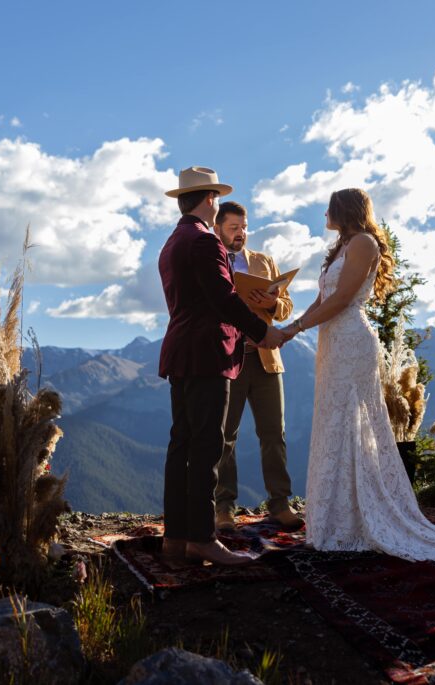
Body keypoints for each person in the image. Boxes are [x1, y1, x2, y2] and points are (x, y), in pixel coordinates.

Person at [279, 188, 435, 564]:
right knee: (333, 419)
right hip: (332, 341)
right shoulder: (345, 245)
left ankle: (356, 519)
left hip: (350, 339)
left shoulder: (363, 243)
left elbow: (343, 299)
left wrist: (296, 328)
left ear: (343, 210)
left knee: (351, 418)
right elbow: (322, 300)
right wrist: (290, 327)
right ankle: (334, 518)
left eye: (328, 208)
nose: (324, 215)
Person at [158, 166, 285, 567]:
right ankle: (202, 538)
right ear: (209, 199)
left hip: (180, 352)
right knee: (207, 447)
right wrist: (262, 332)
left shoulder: (172, 242)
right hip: (209, 352)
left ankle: (175, 539)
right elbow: (224, 299)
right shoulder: (205, 242)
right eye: (215, 198)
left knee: (181, 446)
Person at [211, 201, 302, 531]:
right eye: (234, 228)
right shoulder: (211, 260)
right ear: (218, 228)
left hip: (265, 359)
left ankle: (280, 503)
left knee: (273, 434)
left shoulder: (263, 261)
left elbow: (286, 307)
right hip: (227, 359)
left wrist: (274, 302)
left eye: (244, 227)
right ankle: (224, 508)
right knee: (224, 437)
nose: (241, 234)